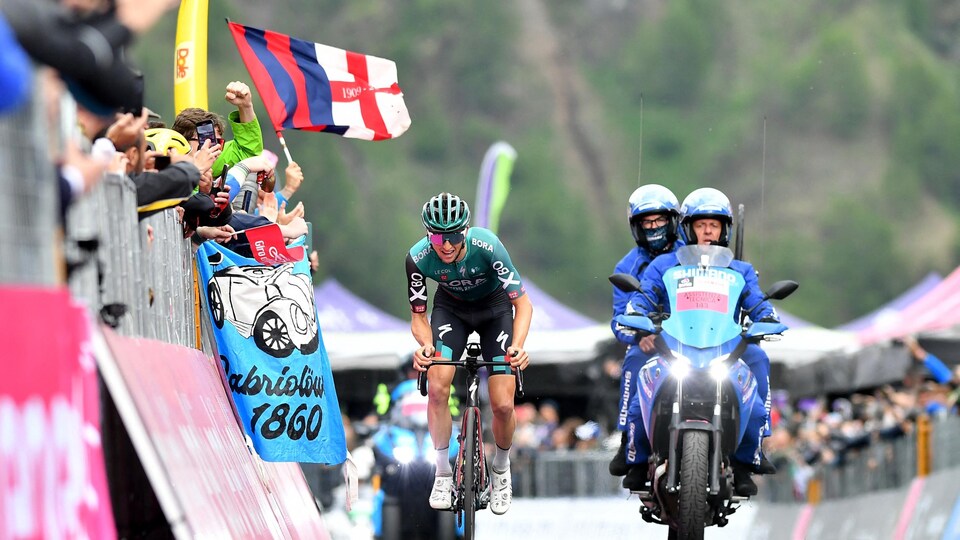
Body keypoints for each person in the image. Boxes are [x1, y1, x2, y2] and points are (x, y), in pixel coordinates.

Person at [624, 187, 777, 496]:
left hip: (725, 352)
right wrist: (637, 314)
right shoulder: (664, 265)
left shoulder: (740, 270)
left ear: (725, 229)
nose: (708, 231)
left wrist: (767, 317)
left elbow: (758, 302)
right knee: (642, 392)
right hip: (675, 350)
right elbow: (643, 296)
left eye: (715, 225)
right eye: (701, 224)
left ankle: (748, 461)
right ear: (688, 228)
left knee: (758, 404)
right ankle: (636, 459)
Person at [406, 192, 533, 515]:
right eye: (437, 236)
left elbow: (522, 303)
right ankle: (442, 472)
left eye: (453, 237)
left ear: (465, 232)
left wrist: (518, 345)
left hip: (495, 310)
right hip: (452, 312)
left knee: (503, 403)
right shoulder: (418, 258)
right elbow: (419, 316)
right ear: (427, 234)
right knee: (436, 386)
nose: (445, 245)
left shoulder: (487, 246)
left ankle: (501, 470)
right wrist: (425, 346)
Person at [608, 184, 683, 479]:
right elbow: (618, 320)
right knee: (633, 361)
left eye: (659, 220)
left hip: (692, 339)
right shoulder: (627, 266)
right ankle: (630, 441)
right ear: (636, 227)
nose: (653, 228)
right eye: (646, 222)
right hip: (650, 343)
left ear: (673, 221)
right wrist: (640, 335)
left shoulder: (691, 254)